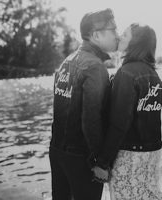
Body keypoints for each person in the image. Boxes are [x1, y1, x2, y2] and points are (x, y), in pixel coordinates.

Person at [49, 8, 119, 200]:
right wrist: (99, 162)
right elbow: (91, 119)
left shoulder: (66, 62)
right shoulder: (95, 67)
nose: (117, 35)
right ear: (96, 35)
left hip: (57, 151)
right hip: (80, 159)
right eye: (113, 29)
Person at [94, 23, 162, 200]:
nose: (120, 36)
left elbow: (119, 124)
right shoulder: (154, 76)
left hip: (130, 156)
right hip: (152, 154)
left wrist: (103, 163)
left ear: (136, 43)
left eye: (125, 35)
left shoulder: (126, 74)